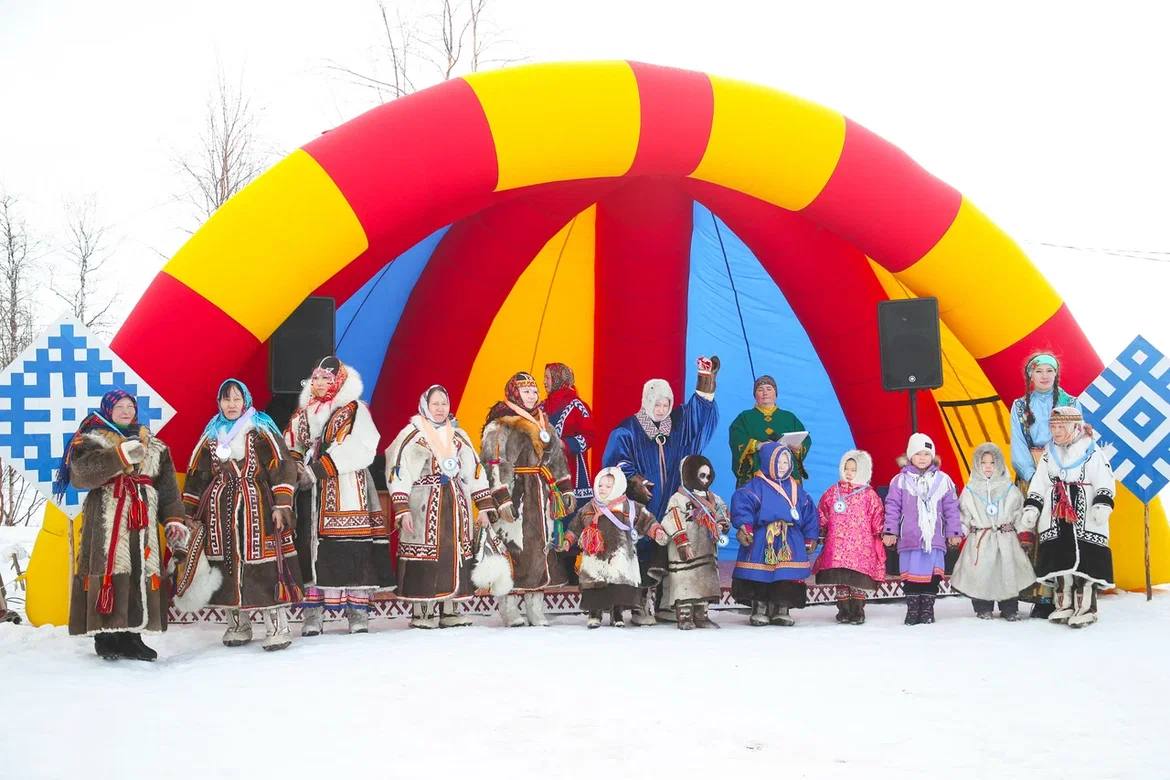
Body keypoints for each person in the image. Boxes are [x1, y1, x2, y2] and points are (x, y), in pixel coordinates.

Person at [55, 390, 185, 661]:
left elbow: (168, 489)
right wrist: (119, 457)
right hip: (107, 518)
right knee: (108, 569)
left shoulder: (155, 446)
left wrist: (173, 518)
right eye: (119, 407)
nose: (126, 411)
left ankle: (132, 636)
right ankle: (105, 637)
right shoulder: (90, 440)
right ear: (108, 410)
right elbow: (80, 476)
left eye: (130, 407)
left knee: (139, 569)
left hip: (142, 519)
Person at [181, 379, 302, 651]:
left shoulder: (260, 429)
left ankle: (277, 626)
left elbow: (282, 466)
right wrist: (188, 512)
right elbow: (197, 475)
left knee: (266, 565)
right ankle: (238, 624)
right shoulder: (211, 434)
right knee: (226, 566)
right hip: (219, 511)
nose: (232, 404)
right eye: (226, 399)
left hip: (257, 506)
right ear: (219, 403)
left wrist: (282, 504)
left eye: (237, 398)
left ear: (245, 400)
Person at [602, 356, 721, 624]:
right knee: (643, 551)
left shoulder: (677, 424)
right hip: (645, 504)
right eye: (656, 404)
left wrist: (705, 378)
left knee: (673, 549)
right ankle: (639, 605)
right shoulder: (627, 430)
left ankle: (667, 602)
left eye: (666, 404)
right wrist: (634, 481)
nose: (661, 409)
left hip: (673, 502)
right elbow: (616, 462)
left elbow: (699, 413)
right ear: (646, 401)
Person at [284, 357, 393, 636]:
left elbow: (361, 448)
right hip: (310, 495)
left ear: (339, 381)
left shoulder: (356, 410)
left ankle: (357, 612)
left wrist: (317, 470)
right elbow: (292, 444)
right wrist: (295, 465)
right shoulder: (303, 413)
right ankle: (313, 614)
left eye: (327, 378)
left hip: (347, 489)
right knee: (310, 550)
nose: (320, 383)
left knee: (351, 547)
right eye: (316, 378)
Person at [384, 384, 498, 628]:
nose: (440, 408)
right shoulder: (412, 435)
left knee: (455, 553)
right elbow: (398, 471)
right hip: (424, 505)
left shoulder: (458, 435)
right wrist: (402, 508)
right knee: (426, 552)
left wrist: (483, 506)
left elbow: (475, 471)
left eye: (444, 403)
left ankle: (451, 610)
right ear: (425, 405)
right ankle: (423, 612)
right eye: (435, 404)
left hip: (457, 505)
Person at [481, 371, 575, 627]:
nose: (532, 395)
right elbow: (493, 463)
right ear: (514, 393)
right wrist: (502, 498)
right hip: (515, 493)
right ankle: (509, 607)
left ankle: (535, 607)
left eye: (534, 391)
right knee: (513, 549)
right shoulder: (500, 425)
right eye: (526, 391)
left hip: (541, 493)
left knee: (539, 550)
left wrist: (565, 489)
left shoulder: (544, 424)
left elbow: (557, 459)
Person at [1022, 407, 1115, 628]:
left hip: (1086, 516)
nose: (1056, 431)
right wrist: (1032, 507)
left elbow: (1105, 480)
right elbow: (1039, 483)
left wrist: (1102, 503)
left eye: (1061, 426)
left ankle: (1086, 607)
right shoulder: (1049, 454)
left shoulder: (1092, 452)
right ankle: (1064, 604)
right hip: (1056, 515)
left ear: (1074, 426)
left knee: (1086, 564)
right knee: (1060, 563)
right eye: (1053, 427)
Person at [1009, 352, 1080, 618]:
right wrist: (1032, 476)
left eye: (1050, 371)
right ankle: (1035, 596)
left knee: (1059, 533)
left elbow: (1077, 440)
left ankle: (1059, 596)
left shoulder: (1071, 403)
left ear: (1056, 373)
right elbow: (1018, 444)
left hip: (1062, 475)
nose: (1045, 376)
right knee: (1032, 531)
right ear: (1030, 375)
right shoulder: (1019, 406)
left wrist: (1062, 473)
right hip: (1031, 473)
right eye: (1039, 371)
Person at [561, 467, 666, 628]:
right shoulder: (589, 507)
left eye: (608, 486)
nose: (603, 489)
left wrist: (656, 531)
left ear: (618, 487)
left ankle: (617, 614)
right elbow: (576, 525)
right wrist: (568, 540)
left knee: (618, 587)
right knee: (594, 586)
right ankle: (594, 613)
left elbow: (646, 520)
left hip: (619, 555)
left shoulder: (629, 507)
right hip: (595, 556)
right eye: (600, 485)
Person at [729, 442, 819, 627]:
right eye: (778, 462)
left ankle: (782, 609)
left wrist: (810, 537)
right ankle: (759, 608)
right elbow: (743, 504)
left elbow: (809, 512)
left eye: (786, 462)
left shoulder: (796, 488)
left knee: (785, 576)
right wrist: (745, 526)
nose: (782, 466)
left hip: (789, 539)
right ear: (767, 461)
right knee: (760, 575)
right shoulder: (756, 486)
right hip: (763, 538)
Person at [882, 433, 962, 625]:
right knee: (910, 577)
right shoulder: (900, 480)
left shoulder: (943, 480)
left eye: (927, 454)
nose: (922, 458)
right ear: (910, 456)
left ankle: (927, 609)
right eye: (918, 454)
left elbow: (952, 508)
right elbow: (892, 507)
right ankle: (912, 610)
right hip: (910, 538)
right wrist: (890, 531)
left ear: (932, 456)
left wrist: (954, 532)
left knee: (932, 576)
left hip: (934, 539)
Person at [950, 443, 1035, 621]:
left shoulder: (1010, 489)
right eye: (983, 463)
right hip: (980, 539)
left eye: (992, 463)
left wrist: (1024, 533)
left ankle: (1009, 608)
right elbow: (963, 515)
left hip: (1006, 538)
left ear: (999, 464)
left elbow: (1019, 514)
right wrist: (957, 533)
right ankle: (983, 607)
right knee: (981, 574)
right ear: (976, 464)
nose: (988, 467)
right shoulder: (970, 490)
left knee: (1007, 572)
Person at [812, 450, 886, 625]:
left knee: (857, 580)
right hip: (837, 546)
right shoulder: (833, 492)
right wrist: (820, 530)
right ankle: (843, 610)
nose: (849, 473)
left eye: (854, 470)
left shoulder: (869, 495)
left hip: (860, 547)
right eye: (846, 468)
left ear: (863, 471)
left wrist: (881, 532)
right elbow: (822, 511)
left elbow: (877, 516)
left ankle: (858, 610)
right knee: (841, 579)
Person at [660, 455, 729, 629]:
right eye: (701, 476)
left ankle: (701, 615)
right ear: (689, 474)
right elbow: (672, 519)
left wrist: (721, 524)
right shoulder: (679, 498)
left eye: (708, 476)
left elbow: (722, 511)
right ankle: (684, 616)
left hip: (706, 547)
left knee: (704, 581)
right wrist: (682, 542)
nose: (705, 480)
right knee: (685, 581)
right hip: (686, 548)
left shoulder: (713, 498)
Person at [542, 362, 594, 585]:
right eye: (544, 377)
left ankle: (572, 570)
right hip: (547, 473)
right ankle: (553, 569)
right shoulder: (541, 407)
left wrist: (565, 444)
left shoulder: (578, 406)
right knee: (549, 518)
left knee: (572, 517)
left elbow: (589, 436)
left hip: (573, 473)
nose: (544, 381)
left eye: (548, 377)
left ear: (559, 378)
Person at [729, 375, 811, 487]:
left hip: (786, 475)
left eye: (769, 389)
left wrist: (798, 447)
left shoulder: (789, 417)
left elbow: (805, 439)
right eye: (760, 390)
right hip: (756, 473)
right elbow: (736, 438)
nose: (765, 393)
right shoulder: (744, 417)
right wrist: (757, 445)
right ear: (755, 395)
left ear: (775, 393)